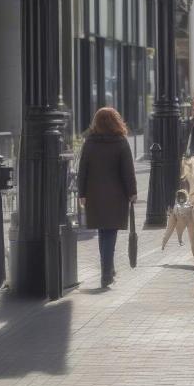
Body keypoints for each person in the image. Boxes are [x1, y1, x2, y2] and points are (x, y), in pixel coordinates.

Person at [78, 107, 137, 288]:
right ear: (115, 121)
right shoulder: (120, 142)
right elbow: (128, 171)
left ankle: (108, 269)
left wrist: (82, 193)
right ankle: (106, 274)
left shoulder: (89, 142)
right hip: (116, 195)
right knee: (109, 232)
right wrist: (132, 192)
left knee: (103, 232)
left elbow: (83, 169)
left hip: (95, 195)